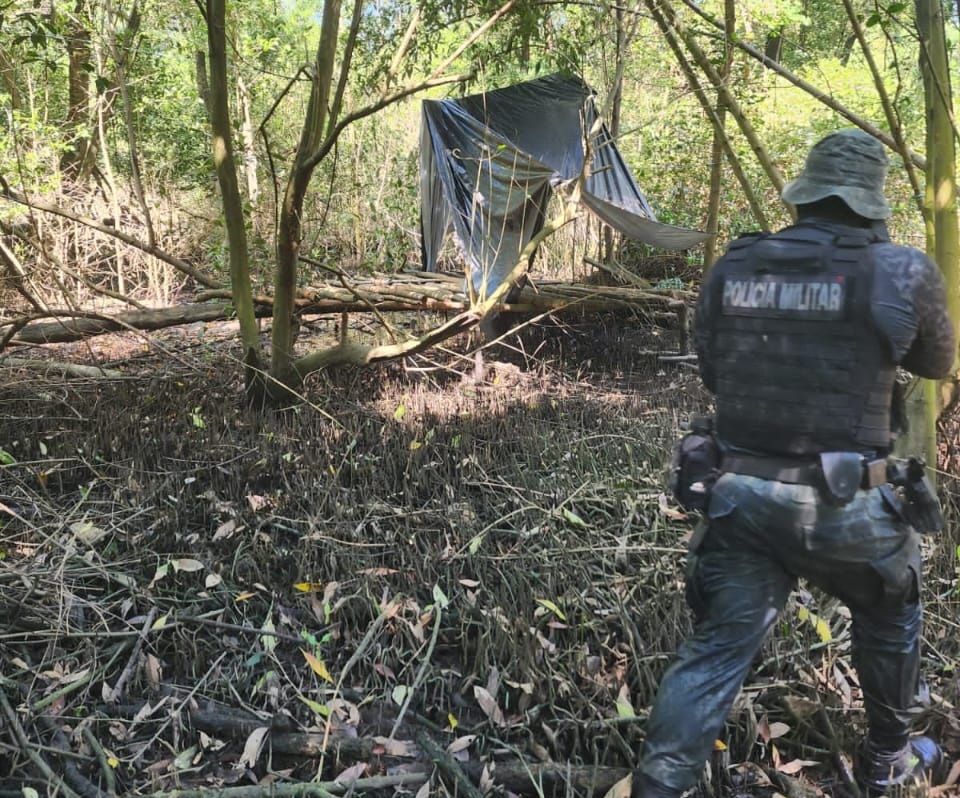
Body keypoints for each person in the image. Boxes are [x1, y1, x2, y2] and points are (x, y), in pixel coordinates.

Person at [634, 129, 957, 798]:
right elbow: (935, 363)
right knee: (890, 616)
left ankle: (660, 783)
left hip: (740, 498)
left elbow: (715, 372)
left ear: (805, 195)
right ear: (870, 203)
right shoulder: (901, 269)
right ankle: (887, 762)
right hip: (847, 509)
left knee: (716, 650)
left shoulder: (736, 263)